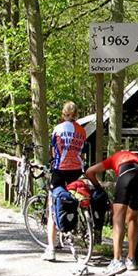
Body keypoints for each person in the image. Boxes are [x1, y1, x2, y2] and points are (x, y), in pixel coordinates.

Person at [85, 149, 138, 276]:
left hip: (126, 172)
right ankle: (131, 260)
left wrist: (98, 187)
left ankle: (117, 260)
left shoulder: (115, 158)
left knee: (117, 217)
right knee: (132, 218)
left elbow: (89, 172)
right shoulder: (136, 157)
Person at [44, 102, 88, 260]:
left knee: (53, 202)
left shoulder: (58, 129)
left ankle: (51, 249)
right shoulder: (82, 131)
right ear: (76, 114)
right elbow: (82, 152)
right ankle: (75, 228)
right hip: (76, 170)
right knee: (73, 199)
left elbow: (53, 150)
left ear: (63, 114)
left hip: (60, 170)